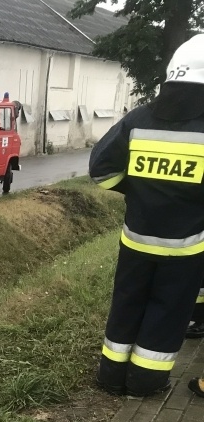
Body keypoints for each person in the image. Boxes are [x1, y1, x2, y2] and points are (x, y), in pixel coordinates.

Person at [91, 34, 204, 397]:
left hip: (136, 240)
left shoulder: (138, 119)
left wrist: (137, 192)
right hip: (185, 249)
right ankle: (146, 381)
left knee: (126, 303)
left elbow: (101, 170)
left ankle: (110, 376)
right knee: (167, 312)